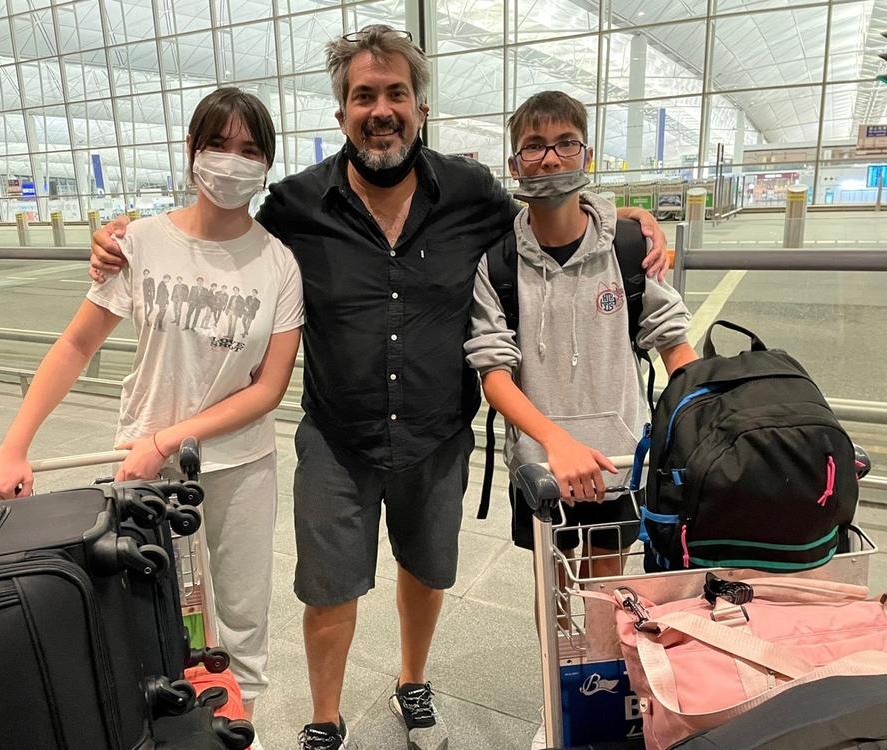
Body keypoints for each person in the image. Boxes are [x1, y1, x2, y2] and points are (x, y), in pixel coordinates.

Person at [88, 26, 669, 750]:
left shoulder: (470, 194)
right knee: (328, 588)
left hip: (437, 433)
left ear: (420, 109)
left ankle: (412, 682)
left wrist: (630, 220)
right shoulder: (298, 207)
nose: (381, 108)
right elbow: (219, 241)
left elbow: (549, 213)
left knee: (426, 571)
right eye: (364, 95)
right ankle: (326, 717)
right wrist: (122, 237)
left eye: (396, 93)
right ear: (342, 114)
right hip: (338, 437)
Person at [0, 87, 304, 739]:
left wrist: (170, 437)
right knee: (151, 614)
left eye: (249, 150)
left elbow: (267, 389)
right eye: (218, 145)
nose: (231, 162)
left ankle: (239, 733)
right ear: (191, 151)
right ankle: (172, 733)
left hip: (240, 465)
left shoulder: (279, 263)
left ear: (265, 164)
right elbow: (75, 344)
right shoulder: (143, 243)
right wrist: (13, 447)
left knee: (240, 620)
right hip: (142, 468)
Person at [462, 91, 698, 750]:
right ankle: (557, 697)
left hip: (617, 459)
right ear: (517, 163)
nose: (551, 158)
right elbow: (495, 372)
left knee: (603, 583)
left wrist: (697, 405)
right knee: (550, 586)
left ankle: (598, 705)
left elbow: (671, 336)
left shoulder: (624, 246)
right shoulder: (497, 262)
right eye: (536, 147)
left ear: (586, 154)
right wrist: (552, 441)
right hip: (542, 467)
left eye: (566, 143)